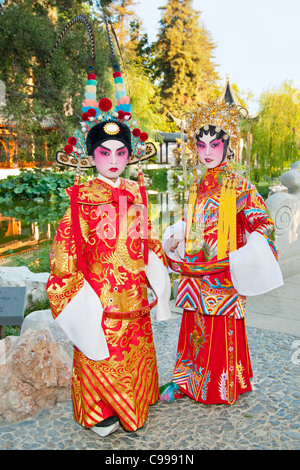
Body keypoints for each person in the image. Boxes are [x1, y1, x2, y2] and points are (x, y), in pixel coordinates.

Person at [46, 71, 171, 437]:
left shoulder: (137, 192)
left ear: (130, 154)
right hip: (99, 297)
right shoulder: (80, 198)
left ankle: (136, 400)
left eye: (121, 152)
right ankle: (100, 411)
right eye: (105, 152)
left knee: (134, 352)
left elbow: (146, 240)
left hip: (133, 294)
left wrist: (160, 264)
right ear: (91, 155)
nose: (113, 159)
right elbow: (65, 253)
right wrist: (74, 296)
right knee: (99, 351)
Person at [161, 100, 283, 405]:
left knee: (218, 329)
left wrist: (245, 253)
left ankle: (220, 386)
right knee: (193, 329)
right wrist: (180, 233)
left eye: (215, 144)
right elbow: (197, 222)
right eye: (201, 146)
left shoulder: (239, 184)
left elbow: (265, 224)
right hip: (195, 271)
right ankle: (186, 381)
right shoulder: (198, 183)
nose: (208, 152)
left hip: (223, 273)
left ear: (227, 146)